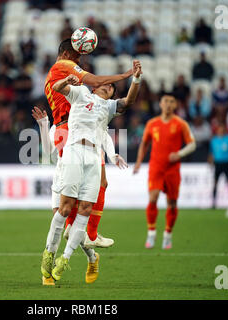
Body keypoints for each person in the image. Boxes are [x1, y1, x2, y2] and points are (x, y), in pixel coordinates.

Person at [41, 60, 141, 284]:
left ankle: (64, 260)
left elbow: (129, 101)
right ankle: (48, 254)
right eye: (105, 85)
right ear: (94, 87)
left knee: (85, 210)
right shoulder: (80, 94)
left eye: (112, 88)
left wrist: (136, 78)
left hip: (94, 158)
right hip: (74, 151)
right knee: (65, 209)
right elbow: (57, 89)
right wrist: (66, 81)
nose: (109, 88)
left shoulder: (108, 108)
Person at [133, 92, 196, 250]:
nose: (168, 104)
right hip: (156, 167)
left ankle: (167, 234)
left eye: (171, 101)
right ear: (160, 104)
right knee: (153, 199)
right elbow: (144, 143)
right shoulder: (152, 124)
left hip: (173, 170)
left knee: (172, 204)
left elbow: (192, 144)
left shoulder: (180, 124)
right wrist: (139, 162)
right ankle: (152, 233)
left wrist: (180, 154)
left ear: (175, 105)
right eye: (165, 101)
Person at [208, 123, 228, 218]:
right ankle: (214, 203)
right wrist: (210, 162)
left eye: (222, 129)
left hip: (226, 163)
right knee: (215, 183)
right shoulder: (214, 140)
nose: (221, 131)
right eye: (219, 129)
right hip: (217, 164)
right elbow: (211, 153)